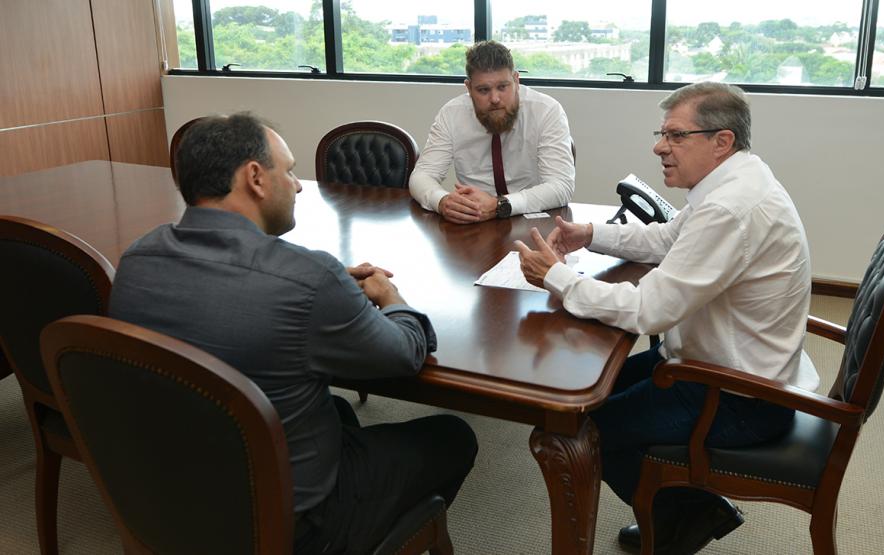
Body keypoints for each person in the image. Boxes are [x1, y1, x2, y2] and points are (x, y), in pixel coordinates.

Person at [109, 113, 478, 554]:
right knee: (454, 436)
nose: (299, 185)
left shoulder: (137, 260)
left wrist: (327, 283)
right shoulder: (308, 279)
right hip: (288, 525)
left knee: (337, 410)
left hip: (171, 498)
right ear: (255, 178)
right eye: (289, 170)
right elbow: (403, 355)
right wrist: (391, 298)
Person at [515, 82, 818, 554]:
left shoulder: (728, 207)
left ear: (722, 142)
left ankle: (680, 522)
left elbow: (646, 310)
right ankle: (680, 510)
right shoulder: (736, 180)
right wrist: (588, 234)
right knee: (582, 395)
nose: (659, 146)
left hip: (739, 395)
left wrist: (557, 277)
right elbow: (665, 240)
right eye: (662, 133)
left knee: (579, 430)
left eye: (676, 135)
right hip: (724, 365)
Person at [409, 40, 575, 224]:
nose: (495, 98)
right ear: (469, 88)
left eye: (503, 87)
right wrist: (441, 201)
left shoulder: (546, 110)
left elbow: (561, 186)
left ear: (516, 81)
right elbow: (422, 175)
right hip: (473, 223)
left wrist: (499, 205)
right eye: (483, 90)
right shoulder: (451, 114)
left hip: (530, 220)